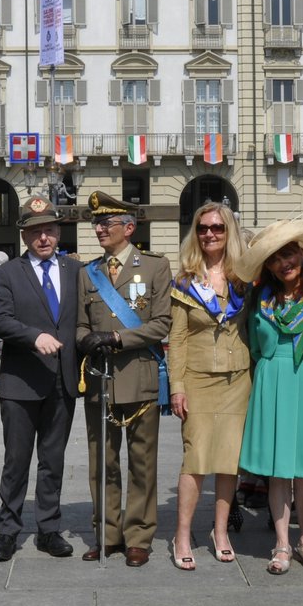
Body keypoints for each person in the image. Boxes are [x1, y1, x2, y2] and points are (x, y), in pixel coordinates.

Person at [75, 192, 172, 568]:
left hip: (140, 378)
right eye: (96, 224)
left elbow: (161, 323)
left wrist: (117, 338)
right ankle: (106, 534)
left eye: (107, 224)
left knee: (142, 462)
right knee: (103, 461)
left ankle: (138, 536)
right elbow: (82, 321)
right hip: (100, 380)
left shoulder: (154, 266)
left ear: (128, 228)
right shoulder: (89, 272)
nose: (99, 229)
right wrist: (84, 338)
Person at [236, 219, 303, 576]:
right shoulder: (260, 297)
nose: (284, 263)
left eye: (289, 254)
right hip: (272, 379)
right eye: (275, 259)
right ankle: (281, 542)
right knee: (277, 473)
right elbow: (254, 344)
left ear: (302, 255)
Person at [0, 196, 81, 561]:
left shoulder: (76, 271)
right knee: (16, 461)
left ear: (58, 232)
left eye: (49, 230)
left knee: (52, 461)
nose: (44, 238)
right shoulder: (9, 272)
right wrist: (32, 336)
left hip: (63, 380)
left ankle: (49, 529)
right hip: (21, 383)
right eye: (35, 232)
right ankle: (8, 530)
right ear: (25, 236)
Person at [167, 201, 250, 569]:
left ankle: (220, 531)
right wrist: (176, 386)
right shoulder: (185, 280)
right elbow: (177, 339)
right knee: (196, 459)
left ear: (229, 231)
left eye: (217, 227)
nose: (210, 234)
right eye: (203, 228)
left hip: (238, 379)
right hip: (198, 380)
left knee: (229, 460)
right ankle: (182, 534)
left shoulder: (244, 277)